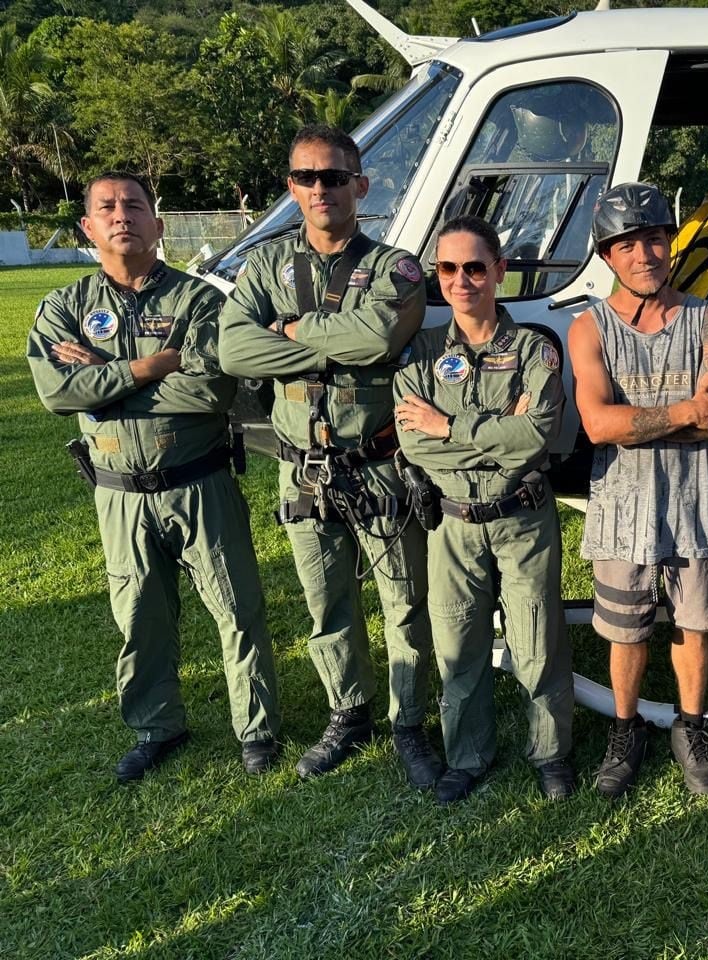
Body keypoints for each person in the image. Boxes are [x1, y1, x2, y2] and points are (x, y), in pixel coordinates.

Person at [27, 171, 281, 781]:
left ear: (158, 225)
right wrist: (148, 365)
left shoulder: (199, 302)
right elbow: (59, 391)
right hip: (118, 494)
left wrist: (108, 378)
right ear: (88, 228)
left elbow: (209, 390)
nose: (122, 216)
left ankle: (258, 729)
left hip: (199, 482)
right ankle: (156, 726)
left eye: (135, 206)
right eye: (107, 208)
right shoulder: (65, 308)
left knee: (237, 609)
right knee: (140, 616)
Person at [219, 125, 436, 787]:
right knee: (327, 604)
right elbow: (233, 350)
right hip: (303, 468)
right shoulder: (265, 266)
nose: (321, 189)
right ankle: (349, 713)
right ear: (291, 188)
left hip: (378, 464)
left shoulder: (394, 265)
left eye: (335, 177)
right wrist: (327, 341)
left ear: (360, 185)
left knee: (404, 601)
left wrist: (284, 331)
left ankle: (410, 721)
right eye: (307, 177)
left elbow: (376, 336)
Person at [567, 181, 708, 798]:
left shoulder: (706, 318)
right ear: (607, 255)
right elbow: (597, 424)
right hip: (622, 510)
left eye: (655, 238)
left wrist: (654, 417)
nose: (645, 253)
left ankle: (690, 727)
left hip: (695, 505)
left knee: (693, 625)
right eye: (627, 243)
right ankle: (626, 728)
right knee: (625, 629)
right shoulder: (588, 329)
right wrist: (683, 412)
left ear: (671, 243)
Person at [392, 216, 576, 804]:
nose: (462, 279)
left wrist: (448, 424)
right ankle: (466, 756)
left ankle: (550, 754)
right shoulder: (419, 352)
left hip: (522, 517)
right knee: (457, 644)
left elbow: (536, 437)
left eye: (475, 267)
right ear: (436, 275)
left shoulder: (533, 348)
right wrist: (498, 431)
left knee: (537, 640)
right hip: (451, 523)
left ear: (499, 271)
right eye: (448, 268)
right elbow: (412, 442)